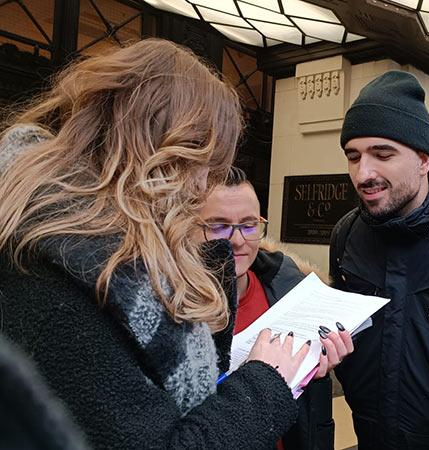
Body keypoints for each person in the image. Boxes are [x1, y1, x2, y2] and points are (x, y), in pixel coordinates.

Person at [0, 39, 317, 449]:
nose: (204, 186)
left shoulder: (105, 258)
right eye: (205, 165)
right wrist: (265, 383)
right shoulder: (60, 277)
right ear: (163, 154)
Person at [329, 70, 429, 450]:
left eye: (382, 154)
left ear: (422, 160)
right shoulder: (346, 235)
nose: (363, 173)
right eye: (353, 157)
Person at [197, 166, 353, 450]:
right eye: (218, 225)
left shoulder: (287, 288)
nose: (237, 240)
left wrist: (311, 373)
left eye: (248, 225)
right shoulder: (164, 313)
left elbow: (309, 416)